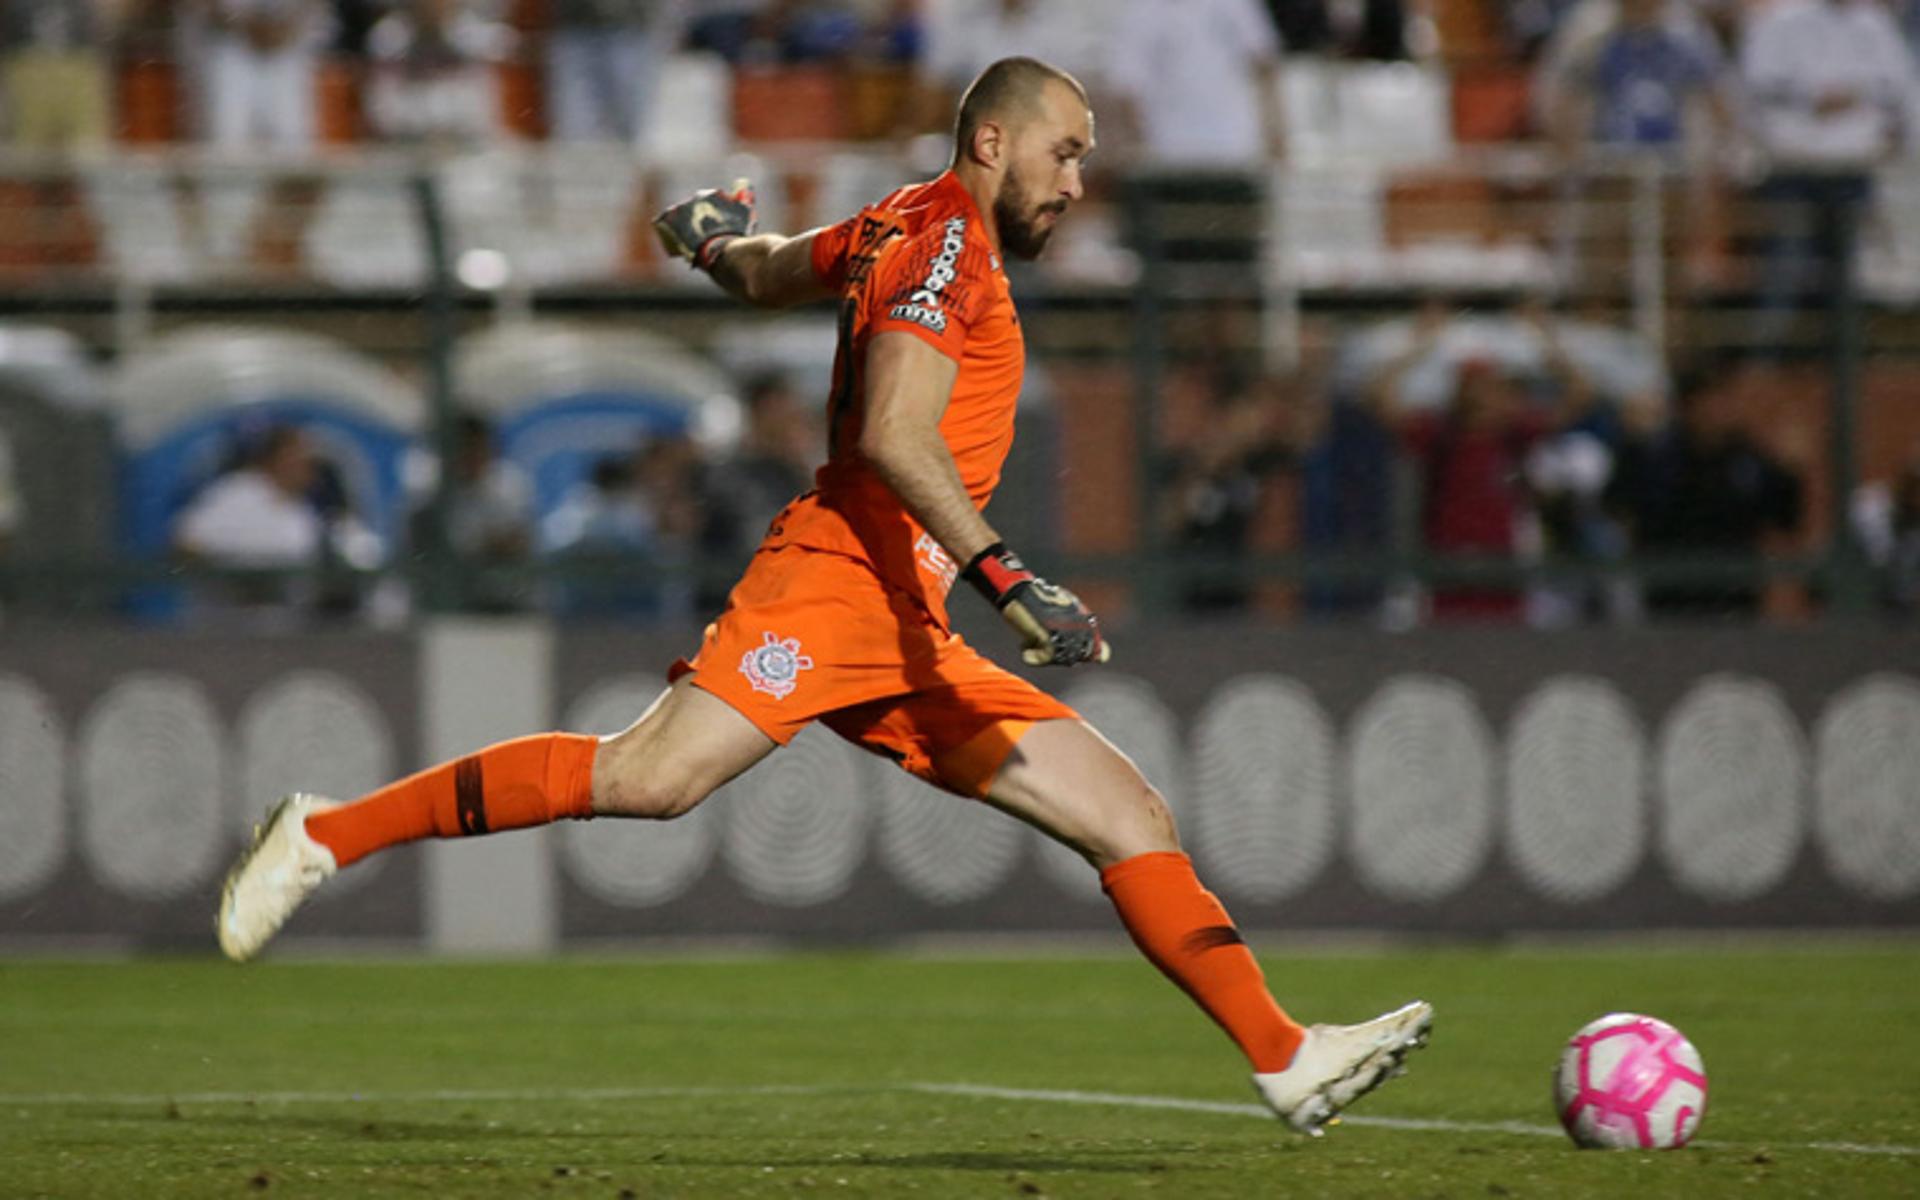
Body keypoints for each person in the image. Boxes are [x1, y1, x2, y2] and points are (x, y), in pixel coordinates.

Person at [214, 56, 1430, 1135]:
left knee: (1127, 817)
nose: (1076, 181)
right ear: (993, 140)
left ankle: (1284, 1057)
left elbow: (763, 276)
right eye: (1064, 152)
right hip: (841, 579)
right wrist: (1010, 577)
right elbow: (900, 435)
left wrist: (708, 238)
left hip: (906, 617)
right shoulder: (949, 245)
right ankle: (324, 835)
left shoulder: (905, 220)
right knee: (650, 778)